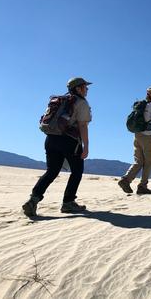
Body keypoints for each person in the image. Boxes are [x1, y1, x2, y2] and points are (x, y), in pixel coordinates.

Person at [22, 77, 92, 216]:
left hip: (51, 139)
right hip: (69, 141)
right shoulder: (81, 102)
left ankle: (33, 200)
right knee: (77, 171)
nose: (87, 89)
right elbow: (82, 125)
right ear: (78, 88)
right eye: (85, 86)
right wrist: (86, 146)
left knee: (52, 171)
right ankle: (68, 203)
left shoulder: (59, 101)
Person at [118, 86, 151, 195]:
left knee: (138, 161)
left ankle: (125, 180)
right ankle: (142, 186)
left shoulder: (142, 105)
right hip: (147, 137)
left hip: (137, 136)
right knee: (149, 162)